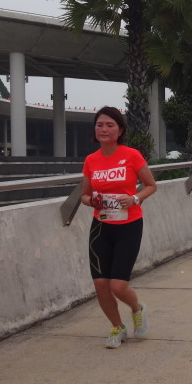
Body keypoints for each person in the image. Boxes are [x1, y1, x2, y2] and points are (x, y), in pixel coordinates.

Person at [77, 106, 157, 348]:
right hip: (101, 226)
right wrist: (91, 200)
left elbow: (151, 185)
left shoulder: (131, 155)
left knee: (118, 285)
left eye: (110, 125)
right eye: (100, 125)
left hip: (129, 225)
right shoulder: (91, 160)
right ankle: (117, 327)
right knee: (101, 284)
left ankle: (136, 307)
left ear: (120, 130)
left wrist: (134, 198)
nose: (104, 129)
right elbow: (83, 195)